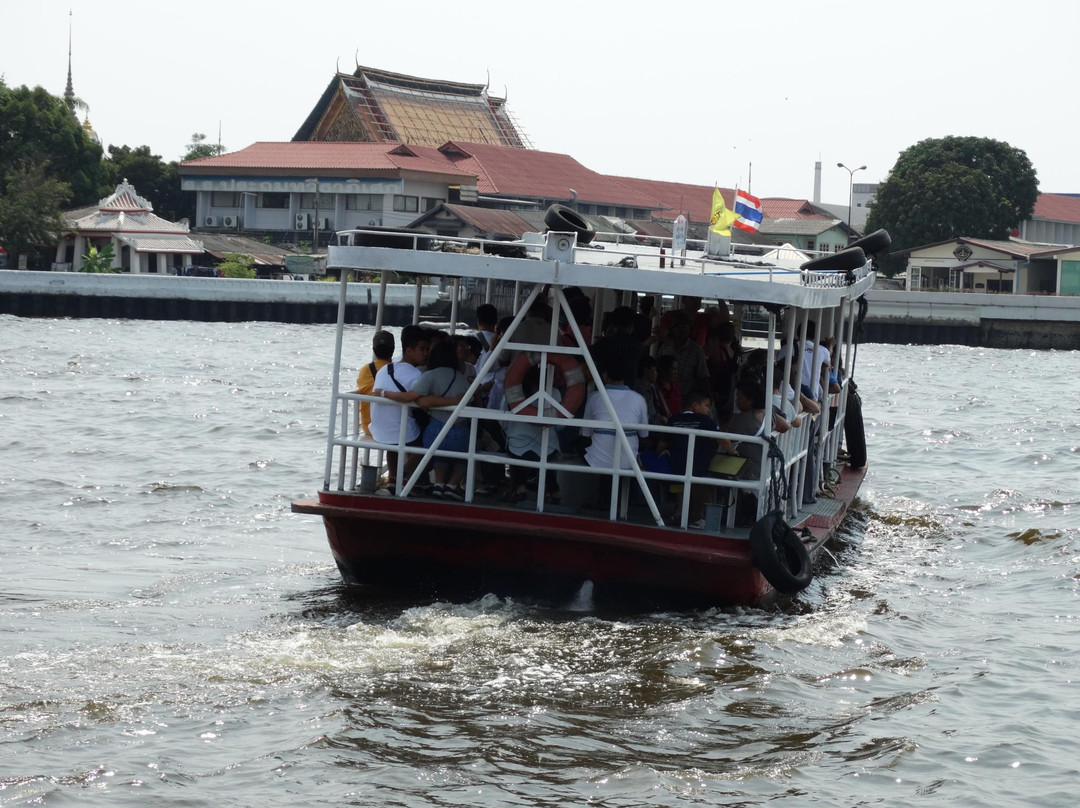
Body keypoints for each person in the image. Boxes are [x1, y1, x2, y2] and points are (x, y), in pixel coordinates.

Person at [370, 325, 431, 492]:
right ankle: (404, 475)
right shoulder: (417, 375)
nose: (426, 353)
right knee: (431, 441)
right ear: (409, 350)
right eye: (422, 349)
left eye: (427, 349)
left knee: (394, 441)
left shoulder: (385, 369)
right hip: (401, 432)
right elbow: (423, 401)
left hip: (379, 430)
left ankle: (392, 479)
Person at [410, 341, 472, 500]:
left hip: (434, 429)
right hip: (459, 429)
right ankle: (452, 485)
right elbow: (469, 400)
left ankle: (438, 484)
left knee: (438, 454)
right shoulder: (461, 378)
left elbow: (419, 400)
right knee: (472, 450)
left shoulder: (429, 375)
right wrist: (454, 401)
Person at [667, 391, 727, 529]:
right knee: (704, 486)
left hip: (676, 466)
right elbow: (723, 440)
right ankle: (701, 517)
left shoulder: (673, 420)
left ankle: (679, 513)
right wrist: (733, 452)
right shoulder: (705, 420)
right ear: (695, 405)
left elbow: (662, 444)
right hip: (699, 466)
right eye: (706, 405)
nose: (708, 410)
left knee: (679, 484)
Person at [657, 310, 710, 402]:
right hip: (665, 397)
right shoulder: (665, 347)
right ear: (674, 329)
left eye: (686, 326)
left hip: (687, 398)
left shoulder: (696, 350)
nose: (683, 329)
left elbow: (703, 376)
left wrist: (707, 397)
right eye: (680, 326)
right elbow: (658, 370)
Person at [355, 329, 394, 437]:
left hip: (368, 427)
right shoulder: (398, 370)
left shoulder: (364, 370)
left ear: (373, 349)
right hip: (392, 427)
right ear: (393, 349)